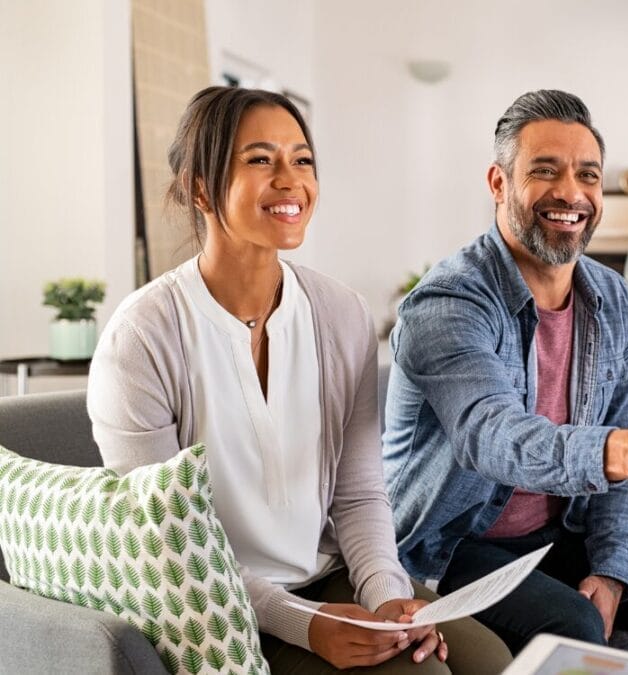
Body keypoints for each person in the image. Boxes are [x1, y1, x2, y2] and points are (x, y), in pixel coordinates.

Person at [87, 86, 511, 674]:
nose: (291, 180)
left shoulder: (341, 313)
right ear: (200, 188)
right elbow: (167, 546)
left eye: (302, 159)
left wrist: (387, 597)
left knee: (495, 662)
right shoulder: (142, 336)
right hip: (215, 608)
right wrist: (305, 625)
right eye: (261, 159)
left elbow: (360, 493)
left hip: (327, 579)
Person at [381, 89, 628, 674]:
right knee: (570, 625)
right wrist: (621, 450)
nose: (570, 194)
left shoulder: (612, 299)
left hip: (560, 528)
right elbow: (491, 436)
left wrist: (611, 569)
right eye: (544, 171)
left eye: (587, 175)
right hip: (453, 547)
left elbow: (625, 461)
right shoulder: (448, 303)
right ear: (498, 184)